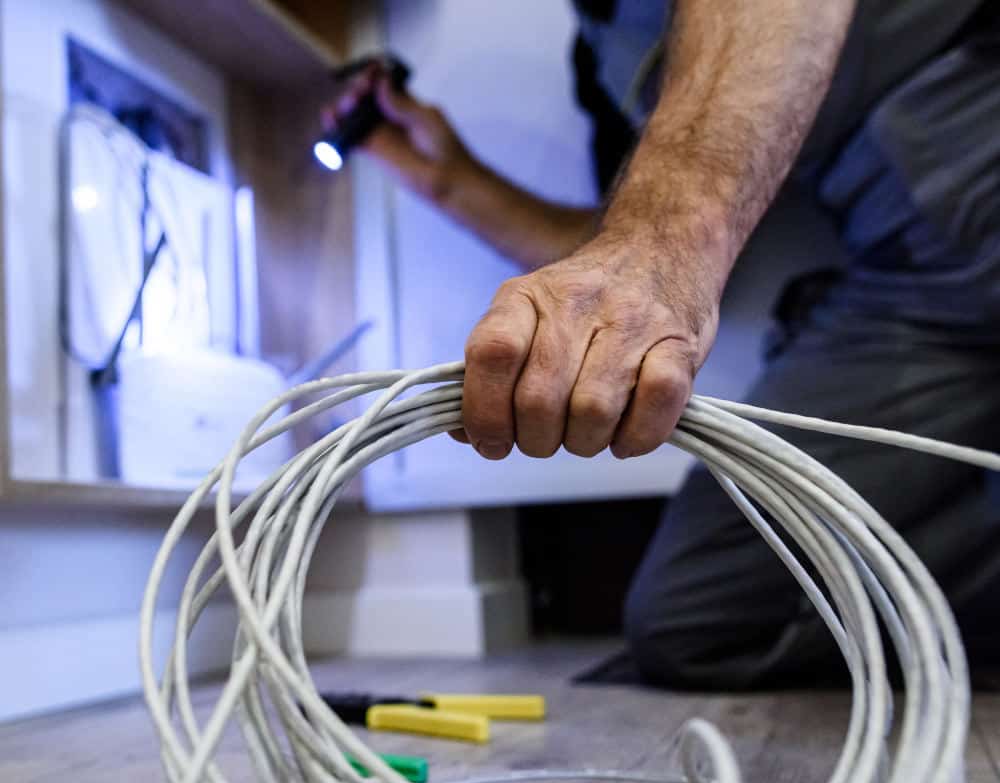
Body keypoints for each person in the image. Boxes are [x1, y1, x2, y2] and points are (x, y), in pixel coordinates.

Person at [327, 0, 1000, 688]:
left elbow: (656, 247)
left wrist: (664, 242)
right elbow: (608, 261)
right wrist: (445, 179)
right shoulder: (600, 57)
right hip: (913, 288)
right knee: (694, 624)